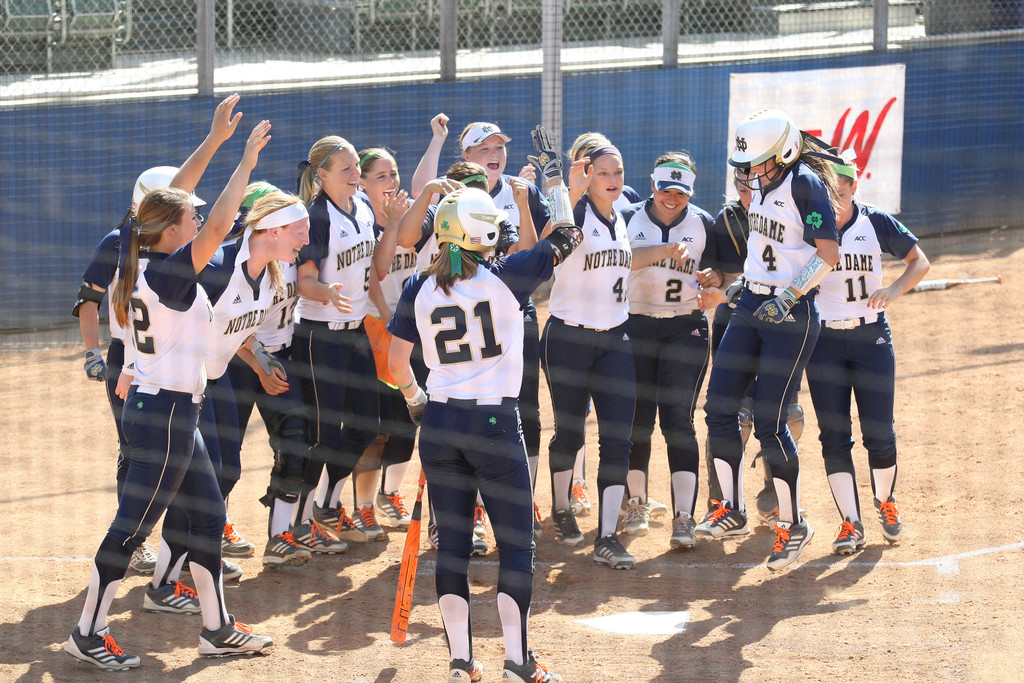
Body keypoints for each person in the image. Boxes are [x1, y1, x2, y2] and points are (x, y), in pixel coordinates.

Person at [65, 118, 274, 672]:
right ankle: (87, 631)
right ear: (171, 231)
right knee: (132, 528)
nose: (199, 221)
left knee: (208, 514)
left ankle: (217, 629)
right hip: (164, 413)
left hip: (170, 408)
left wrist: (215, 144)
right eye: (191, 219)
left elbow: (172, 206)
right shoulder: (168, 273)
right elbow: (222, 221)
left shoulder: (145, 262)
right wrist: (244, 162)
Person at [388, 180, 578, 683]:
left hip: (440, 422)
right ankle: (517, 663)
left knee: (451, 547)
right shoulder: (508, 276)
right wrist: (557, 189)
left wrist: (416, 402)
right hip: (494, 424)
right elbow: (568, 234)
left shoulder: (417, 286)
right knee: (515, 547)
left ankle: (459, 663)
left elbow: (395, 364)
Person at [71, 95, 240, 574]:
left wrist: (214, 139)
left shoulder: (168, 245)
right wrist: (92, 352)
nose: (191, 211)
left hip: (175, 361)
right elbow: (88, 300)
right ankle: (139, 539)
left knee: (184, 458)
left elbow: (181, 191)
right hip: (134, 360)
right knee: (139, 454)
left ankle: (188, 546)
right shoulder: (123, 240)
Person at [698, 108, 841, 571]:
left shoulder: (804, 183)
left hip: (790, 311)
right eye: (745, 165)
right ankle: (731, 508)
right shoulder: (761, 183)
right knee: (719, 407)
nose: (749, 173)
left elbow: (829, 253)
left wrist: (790, 296)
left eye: (757, 163)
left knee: (770, 421)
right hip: (750, 304)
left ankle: (793, 524)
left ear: (785, 152)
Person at [804, 153, 929, 553]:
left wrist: (893, 289)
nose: (834, 202)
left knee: (879, 431)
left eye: (840, 192)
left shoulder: (874, 221)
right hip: (823, 342)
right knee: (834, 436)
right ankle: (850, 523)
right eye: (827, 194)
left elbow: (919, 261)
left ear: (854, 187)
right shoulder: (810, 225)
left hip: (871, 338)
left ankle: (885, 501)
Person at [540, 139, 647, 569]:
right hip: (568, 339)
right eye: (603, 172)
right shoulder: (577, 213)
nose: (613, 179)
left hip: (615, 339)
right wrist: (565, 188)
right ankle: (561, 508)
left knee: (618, 439)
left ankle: (606, 536)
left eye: (617, 172)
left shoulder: (620, 216)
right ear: (587, 175)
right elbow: (549, 239)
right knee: (570, 434)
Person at [620, 151, 720, 549]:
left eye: (681, 193)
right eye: (666, 190)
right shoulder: (627, 218)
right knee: (637, 422)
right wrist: (661, 251)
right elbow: (611, 262)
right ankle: (637, 503)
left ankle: (684, 516)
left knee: (678, 422)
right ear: (652, 185)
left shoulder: (704, 223)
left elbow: (723, 271)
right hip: (634, 325)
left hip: (684, 328)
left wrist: (716, 276)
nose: (672, 199)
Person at [704, 171, 807, 524]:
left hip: (783, 320)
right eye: (742, 190)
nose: (750, 196)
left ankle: (774, 493)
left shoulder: (789, 209)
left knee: (785, 414)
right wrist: (714, 277)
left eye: (754, 188)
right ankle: (721, 501)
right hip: (736, 320)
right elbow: (716, 272)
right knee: (732, 414)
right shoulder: (727, 219)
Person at [292, 135, 380, 545]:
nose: (355, 173)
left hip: (356, 330)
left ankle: (326, 503)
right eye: (345, 169)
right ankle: (299, 521)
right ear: (322, 175)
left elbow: (372, 267)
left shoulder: (361, 205)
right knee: (322, 434)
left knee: (366, 425)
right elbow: (304, 281)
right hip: (319, 335)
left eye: (356, 166)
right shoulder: (317, 216)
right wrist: (326, 291)